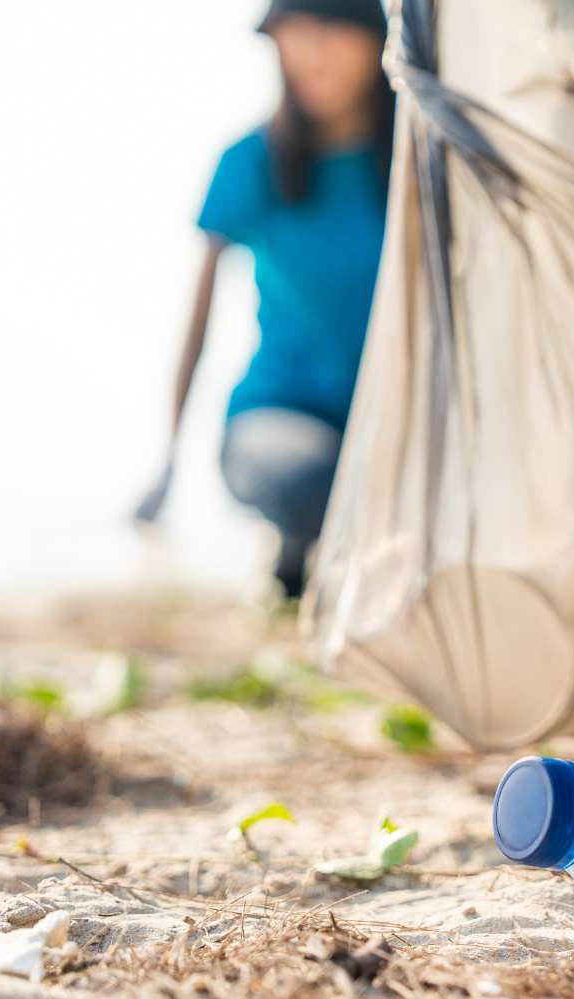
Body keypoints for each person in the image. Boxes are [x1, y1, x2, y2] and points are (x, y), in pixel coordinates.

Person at [137, 0, 394, 599]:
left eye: (332, 30)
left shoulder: (424, 152)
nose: (312, 53)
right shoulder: (249, 161)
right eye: (293, 34)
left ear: (374, 40)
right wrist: (169, 459)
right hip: (283, 412)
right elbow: (198, 317)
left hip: (403, 413)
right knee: (306, 479)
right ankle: (301, 551)